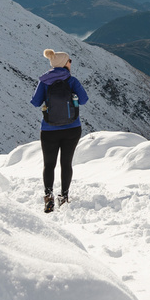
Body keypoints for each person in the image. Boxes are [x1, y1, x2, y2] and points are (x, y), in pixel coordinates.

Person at [30, 49, 89, 213]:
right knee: (66, 163)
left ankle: (48, 197)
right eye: (69, 61)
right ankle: (64, 197)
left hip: (49, 129)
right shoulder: (72, 81)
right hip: (72, 128)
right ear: (64, 63)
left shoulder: (44, 81)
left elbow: (35, 102)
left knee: (49, 164)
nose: (71, 63)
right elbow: (84, 100)